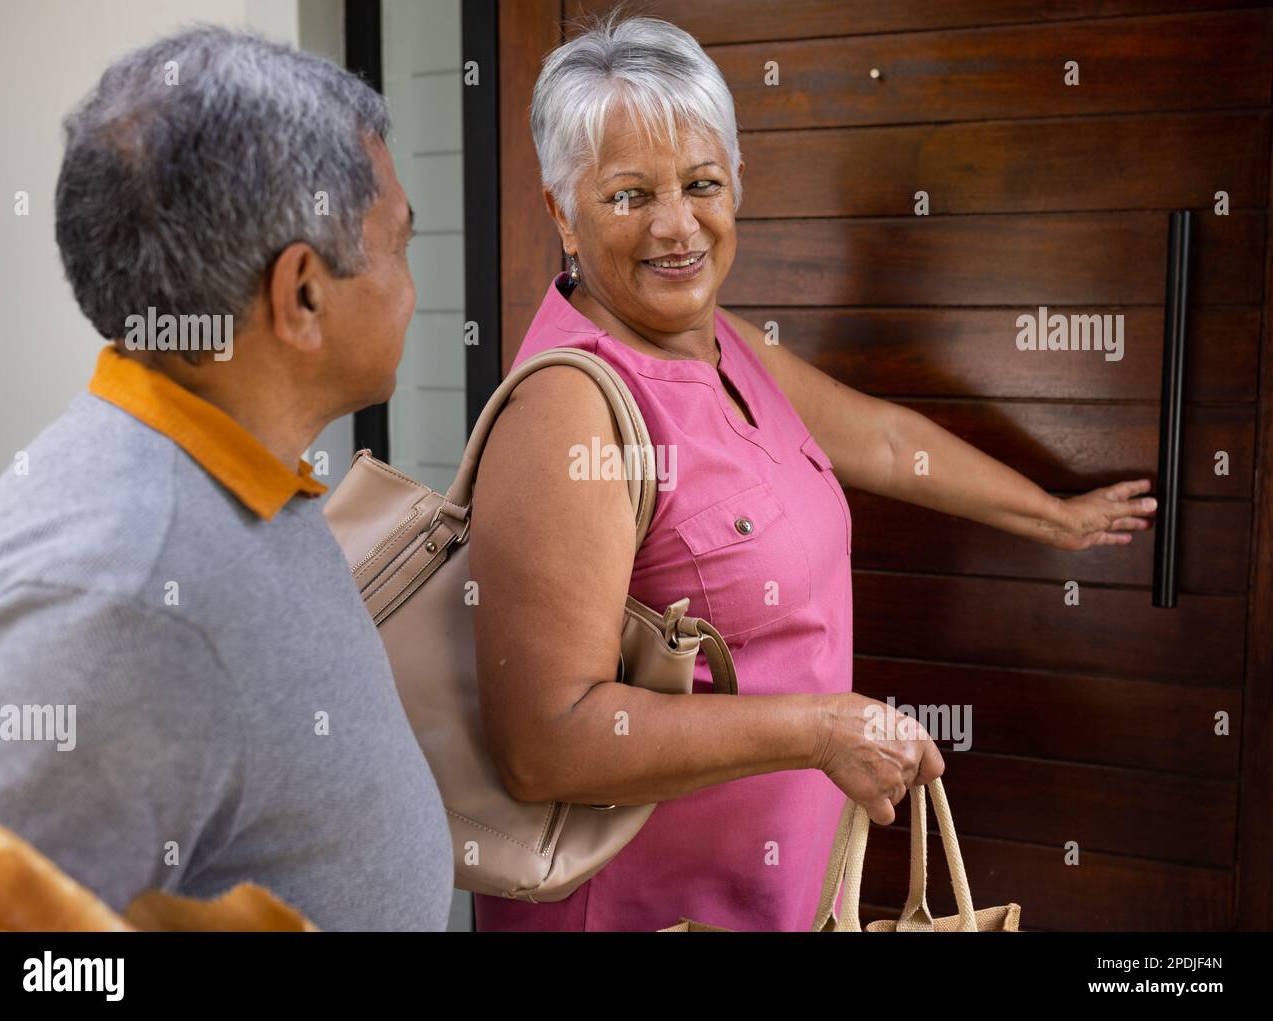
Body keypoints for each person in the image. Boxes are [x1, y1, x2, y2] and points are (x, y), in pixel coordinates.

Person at [467, 12, 1157, 931]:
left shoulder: (720, 342)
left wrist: (1053, 518)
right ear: (561, 210)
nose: (677, 227)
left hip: (774, 894)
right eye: (629, 195)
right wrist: (821, 729)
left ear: (737, 183)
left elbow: (877, 438)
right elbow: (544, 743)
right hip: (644, 908)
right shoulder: (570, 410)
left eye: (702, 183)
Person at [0, 27, 452, 931]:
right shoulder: (120, 593)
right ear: (303, 293)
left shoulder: (236, 466)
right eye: (398, 245)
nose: (409, 286)